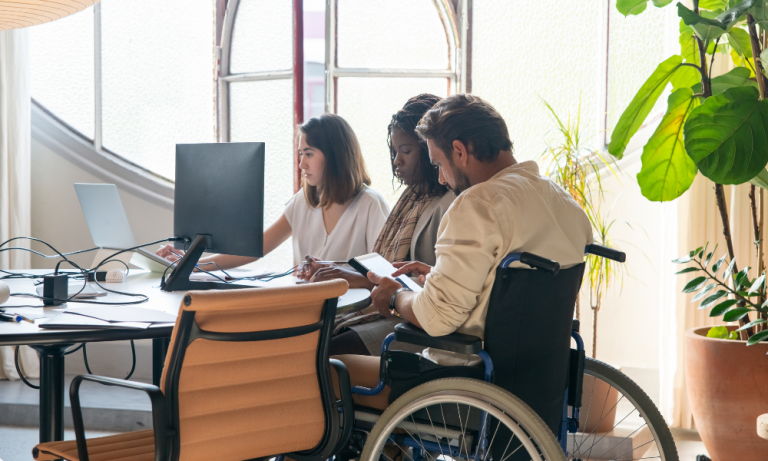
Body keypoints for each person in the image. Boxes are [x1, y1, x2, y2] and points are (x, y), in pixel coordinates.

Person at [345, 93, 593, 368]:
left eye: (439, 164)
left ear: (460, 151)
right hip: (537, 373)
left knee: (334, 367)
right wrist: (442, 277)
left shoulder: (477, 204)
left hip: (461, 376)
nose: (441, 178)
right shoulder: (566, 203)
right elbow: (515, 298)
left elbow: (436, 318)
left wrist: (394, 296)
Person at [299, 94, 456, 356]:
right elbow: (388, 266)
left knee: (325, 350)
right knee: (312, 338)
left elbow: (435, 287)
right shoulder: (412, 198)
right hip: (398, 309)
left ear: (430, 147)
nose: (397, 161)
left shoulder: (450, 204)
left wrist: (357, 279)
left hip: (416, 320)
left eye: (406, 151)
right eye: (394, 152)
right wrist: (337, 269)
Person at [157, 113, 390, 269]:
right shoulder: (303, 202)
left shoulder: (370, 204)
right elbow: (255, 249)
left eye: (309, 154)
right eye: (301, 154)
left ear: (335, 155)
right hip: (307, 308)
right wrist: (191, 264)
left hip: (349, 314)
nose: (302, 164)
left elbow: (383, 272)